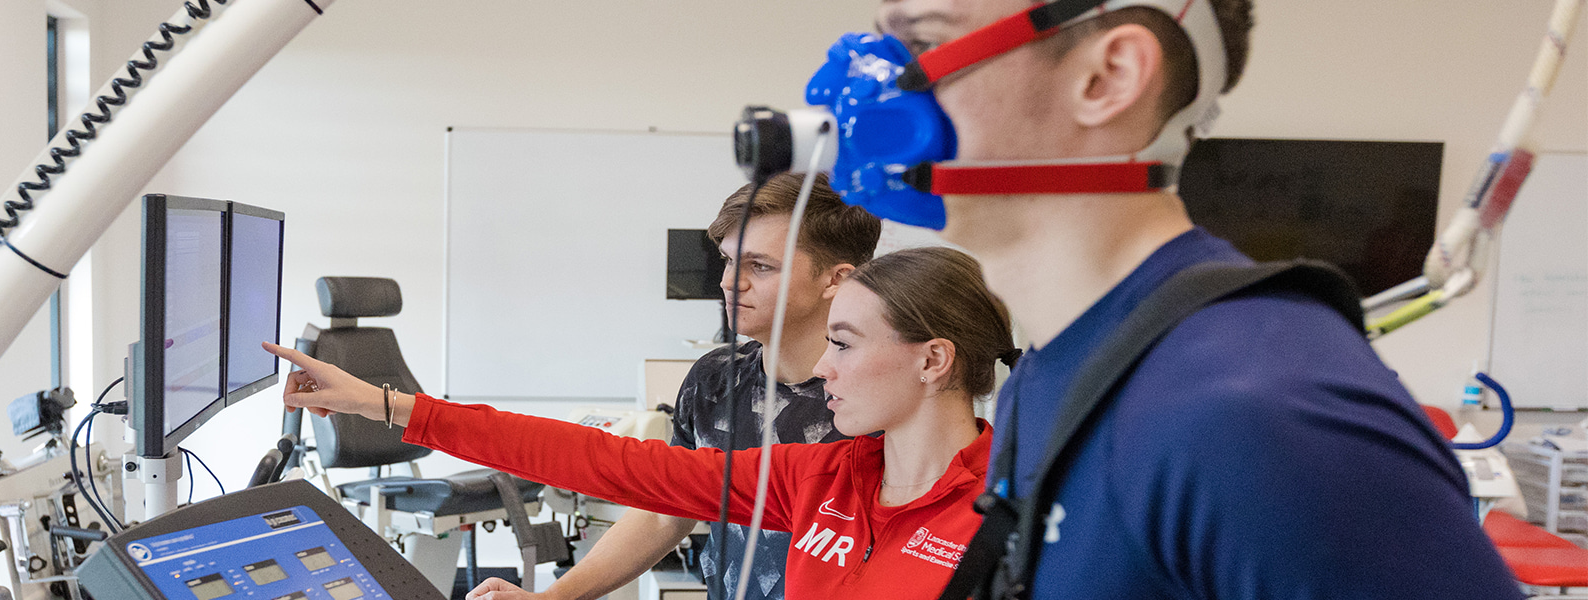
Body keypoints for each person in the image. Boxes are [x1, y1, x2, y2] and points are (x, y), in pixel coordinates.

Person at [866, 0, 1520, 597]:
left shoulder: (1259, 410)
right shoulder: (1047, 371)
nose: (869, 80)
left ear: (1109, 76)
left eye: (920, 40)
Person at [264, 246, 1020, 600]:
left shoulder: (1013, 520)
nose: (821, 368)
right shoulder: (816, 476)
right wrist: (388, 406)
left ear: (933, 361)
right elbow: (608, 464)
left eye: (845, 346)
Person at [482, 173, 879, 600]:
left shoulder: (880, 399)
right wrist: (552, 598)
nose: (730, 282)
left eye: (759, 266)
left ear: (836, 279)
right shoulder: (714, 380)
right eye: (728, 260)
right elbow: (664, 514)